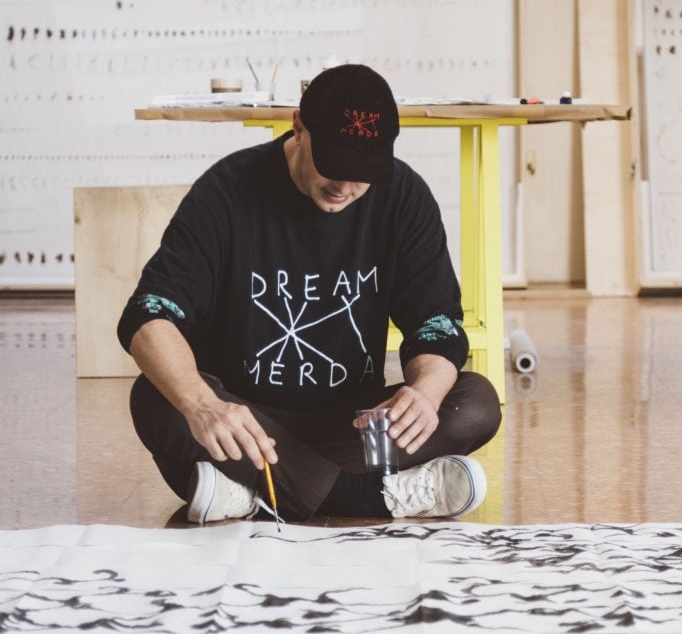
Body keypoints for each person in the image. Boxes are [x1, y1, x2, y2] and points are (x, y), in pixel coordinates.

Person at [118, 63, 502, 523]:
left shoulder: (405, 199)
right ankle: (371, 497)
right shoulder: (227, 191)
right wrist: (204, 406)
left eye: (362, 174)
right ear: (299, 126)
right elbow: (150, 314)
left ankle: (255, 491)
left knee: (473, 401)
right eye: (334, 166)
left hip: (354, 426)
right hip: (245, 422)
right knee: (157, 397)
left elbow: (435, 324)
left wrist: (425, 393)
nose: (344, 187)